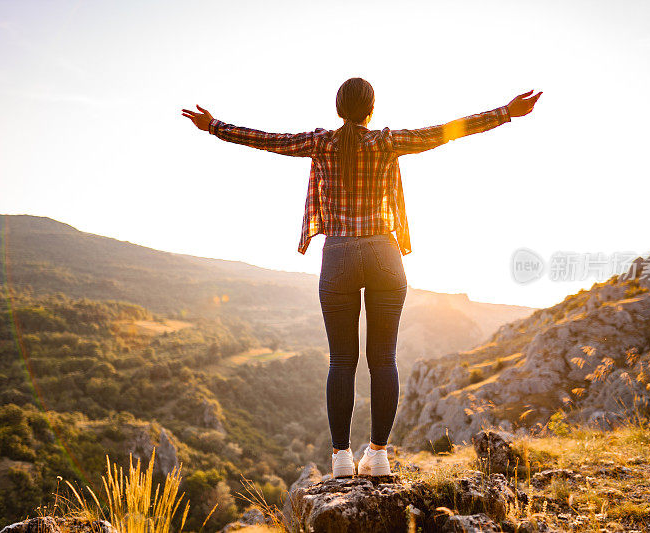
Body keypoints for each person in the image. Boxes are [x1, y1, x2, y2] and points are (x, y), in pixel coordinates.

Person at [181, 79, 542, 478]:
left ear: (338, 109)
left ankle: (340, 458)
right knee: (383, 359)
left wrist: (214, 126)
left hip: (338, 257)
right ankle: (379, 455)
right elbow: (445, 132)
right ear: (371, 109)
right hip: (384, 255)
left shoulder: (320, 143)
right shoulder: (386, 142)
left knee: (341, 361)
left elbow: (265, 139)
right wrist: (505, 113)